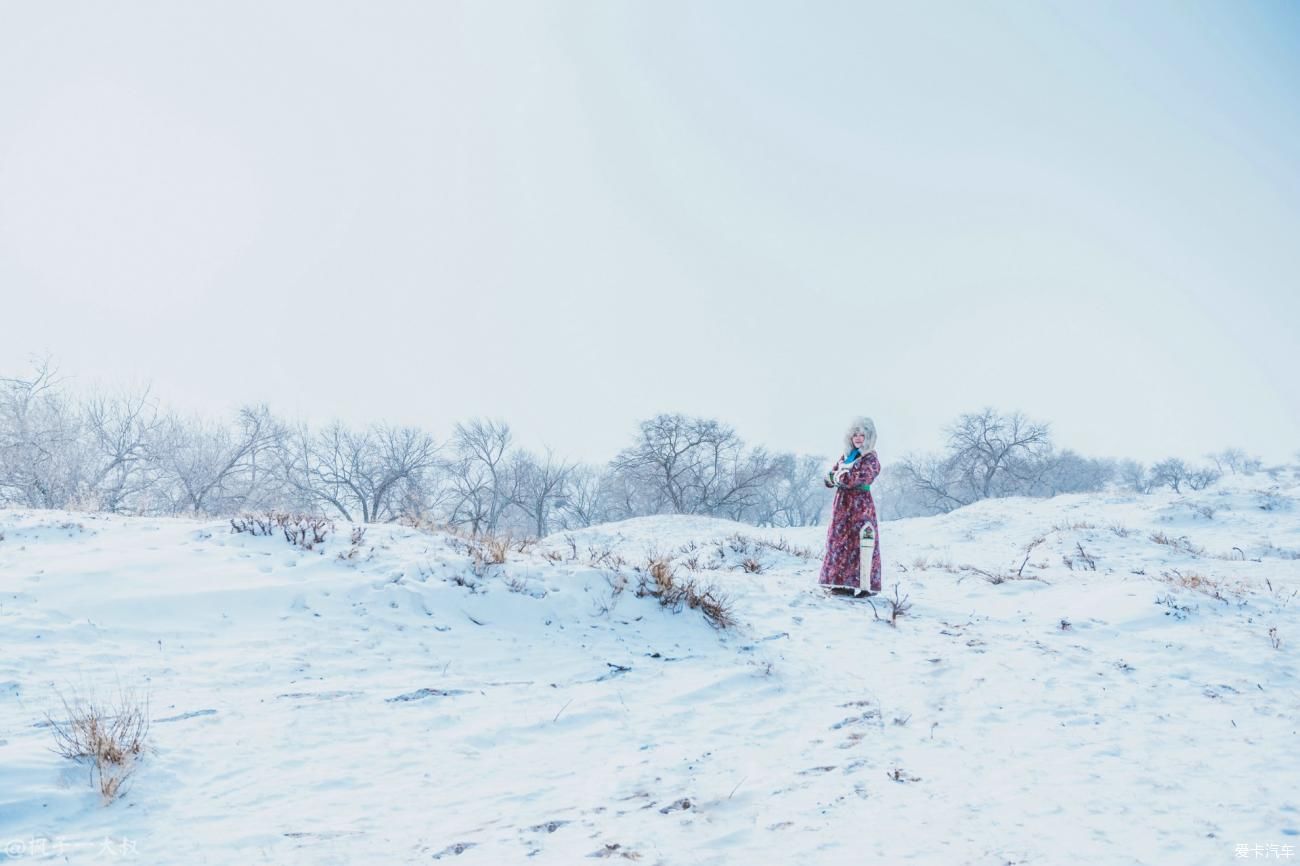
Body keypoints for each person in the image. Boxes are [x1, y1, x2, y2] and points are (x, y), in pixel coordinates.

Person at [818, 417, 882, 596]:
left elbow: (857, 478)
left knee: (860, 542)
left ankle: (864, 584)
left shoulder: (870, 458)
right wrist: (835, 478)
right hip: (842, 505)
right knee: (840, 542)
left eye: (862, 434)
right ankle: (839, 582)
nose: (858, 438)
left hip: (860, 505)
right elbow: (830, 477)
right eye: (855, 434)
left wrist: (840, 478)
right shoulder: (847, 456)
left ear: (869, 437)